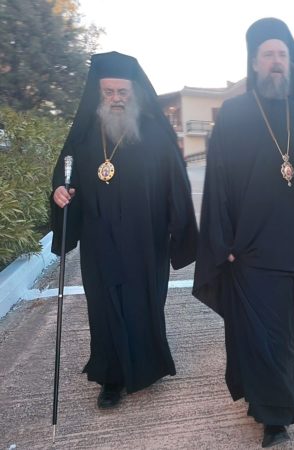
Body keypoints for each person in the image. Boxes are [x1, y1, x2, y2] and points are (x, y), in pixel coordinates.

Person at [192, 18, 294, 448]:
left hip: (290, 250)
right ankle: (274, 416)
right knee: (255, 335)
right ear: (255, 63)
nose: (276, 62)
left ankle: (270, 406)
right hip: (247, 250)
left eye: (282, 55)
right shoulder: (234, 114)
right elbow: (217, 184)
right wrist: (222, 243)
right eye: (269, 55)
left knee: (282, 336)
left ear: (289, 64)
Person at [50, 51, 197, 409]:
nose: (116, 98)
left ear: (134, 92)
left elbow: (176, 184)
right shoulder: (84, 135)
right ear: (98, 93)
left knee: (141, 304)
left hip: (146, 239)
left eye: (122, 92)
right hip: (99, 238)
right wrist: (60, 193)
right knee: (103, 307)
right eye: (108, 92)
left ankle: (147, 366)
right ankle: (111, 378)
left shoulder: (155, 134)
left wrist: (181, 231)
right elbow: (65, 179)